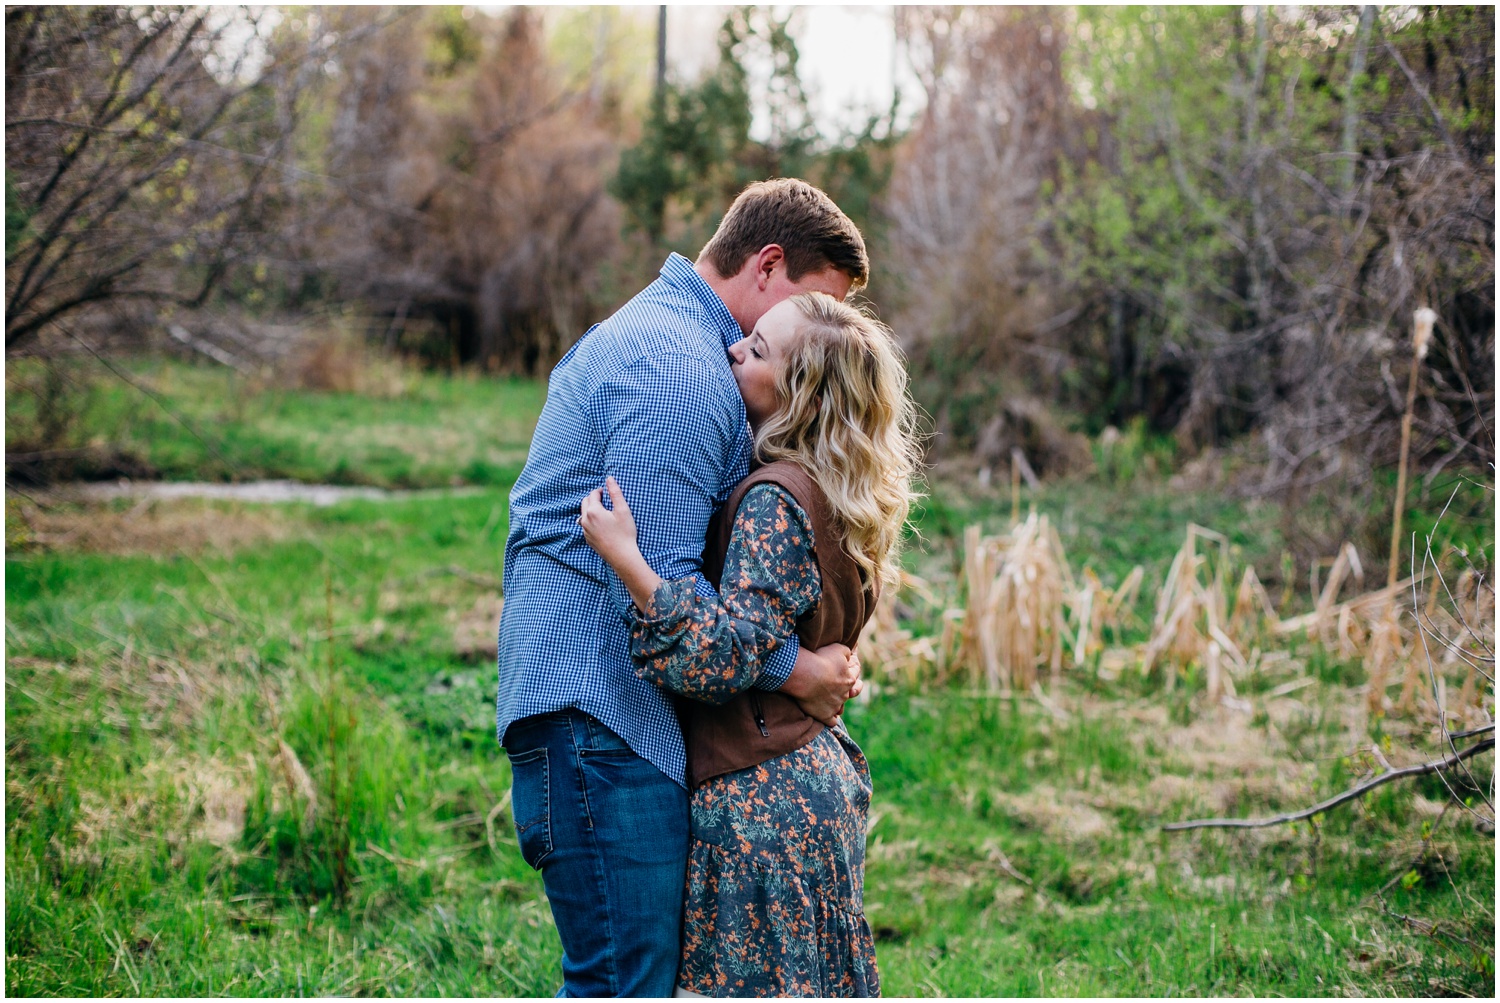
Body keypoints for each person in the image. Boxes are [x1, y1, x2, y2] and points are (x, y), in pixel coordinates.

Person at [496, 180, 871, 997]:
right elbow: (678, 603)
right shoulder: (679, 369)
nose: (821, 337)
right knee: (624, 984)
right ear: (769, 267)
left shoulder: (671, 343)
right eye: (818, 308)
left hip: (603, 720)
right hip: (601, 718)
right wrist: (797, 670)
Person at [579, 291, 919, 997]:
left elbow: (725, 655)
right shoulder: (834, 491)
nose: (734, 349)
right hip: (810, 776)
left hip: (762, 799)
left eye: (758, 349)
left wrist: (630, 562)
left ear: (796, 395)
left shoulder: (774, 497)